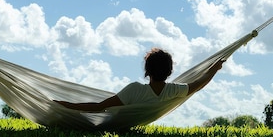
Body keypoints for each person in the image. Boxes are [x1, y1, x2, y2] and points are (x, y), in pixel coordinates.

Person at [55, 48, 224, 112]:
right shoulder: (174, 90)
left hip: (109, 123)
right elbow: (198, 85)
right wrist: (214, 70)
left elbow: (100, 107)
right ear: (169, 71)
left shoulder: (134, 90)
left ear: (147, 71)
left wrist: (64, 104)